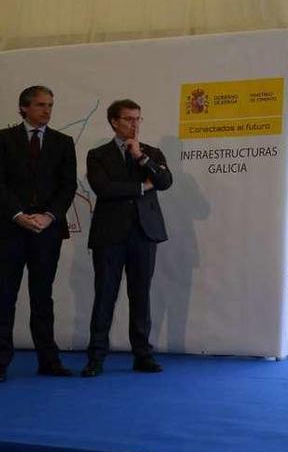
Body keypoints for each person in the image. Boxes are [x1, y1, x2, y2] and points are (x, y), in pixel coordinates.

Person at [81, 99, 172, 377]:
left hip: (144, 234)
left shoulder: (151, 152)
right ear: (114, 122)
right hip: (110, 235)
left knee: (140, 296)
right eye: (129, 119)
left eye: (138, 119)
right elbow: (104, 189)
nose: (135, 124)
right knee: (105, 295)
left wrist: (141, 159)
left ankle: (142, 354)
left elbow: (165, 183)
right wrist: (142, 187)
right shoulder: (98, 155)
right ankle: (96, 357)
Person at [0, 86, 77, 382]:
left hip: (47, 231)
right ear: (23, 108)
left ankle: (49, 360)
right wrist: (18, 215)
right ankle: (1, 362)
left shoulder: (63, 142)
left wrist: (48, 216)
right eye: (41, 105)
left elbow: (67, 186)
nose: (47, 110)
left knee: (42, 297)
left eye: (51, 105)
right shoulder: (4, 140)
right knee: (4, 297)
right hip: (9, 230)